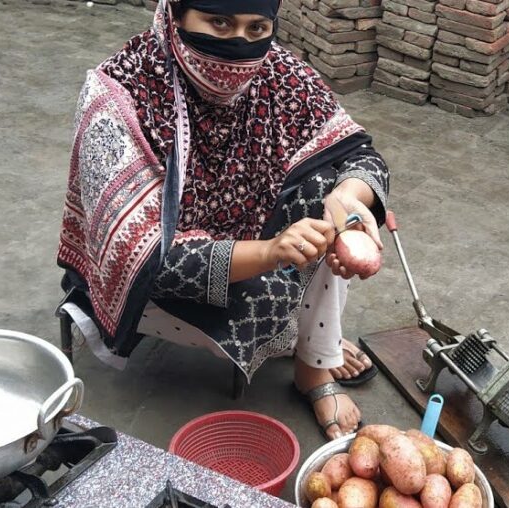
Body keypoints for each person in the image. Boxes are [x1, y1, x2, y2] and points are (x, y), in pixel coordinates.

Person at [56, 0, 390, 439]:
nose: (238, 45)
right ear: (176, 15)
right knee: (268, 289)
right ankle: (303, 336)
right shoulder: (119, 93)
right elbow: (142, 257)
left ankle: (314, 365)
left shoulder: (278, 72)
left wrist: (349, 198)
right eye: (218, 22)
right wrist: (269, 252)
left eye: (257, 28)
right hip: (151, 285)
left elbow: (360, 153)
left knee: (328, 194)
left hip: (249, 235)